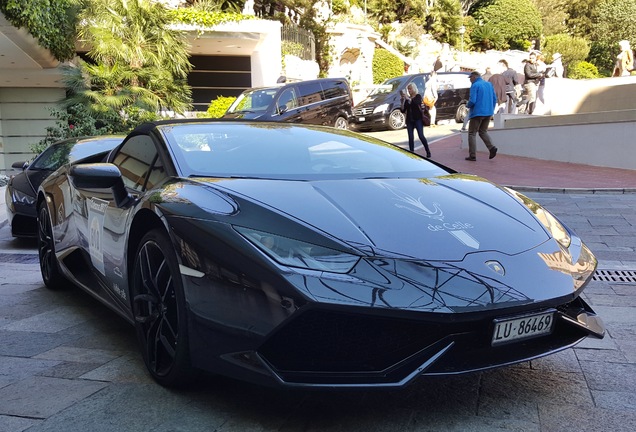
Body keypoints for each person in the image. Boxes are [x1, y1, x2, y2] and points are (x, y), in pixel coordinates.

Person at [465, 71, 498, 161]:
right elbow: (495, 99)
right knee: (483, 131)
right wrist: (491, 109)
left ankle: (472, 155)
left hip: (477, 113)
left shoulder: (475, 86)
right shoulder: (489, 85)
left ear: (474, 77)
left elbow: (473, 100)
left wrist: (467, 105)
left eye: (470, 78)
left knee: (472, 133)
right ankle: (491, 148)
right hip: (488, 112)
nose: (470, 80)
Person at [400, 82, 431, 157]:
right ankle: (412, 153)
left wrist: (408, 99)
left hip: (417, 119)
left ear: (413, 89)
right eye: (408, 89)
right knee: (410, 137)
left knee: (421, 136)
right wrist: (403, 101)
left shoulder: (418, 96)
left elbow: (416, 103)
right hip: (409, 120)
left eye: (410, 89)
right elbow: (403, 110)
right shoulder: (407, 98)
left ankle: (428, 150)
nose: (409, 91)